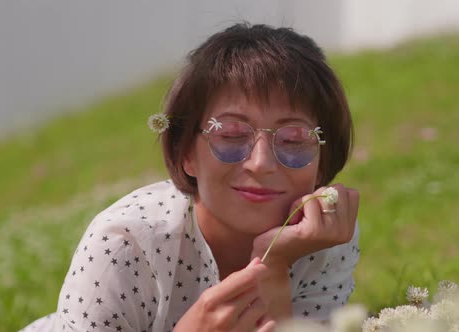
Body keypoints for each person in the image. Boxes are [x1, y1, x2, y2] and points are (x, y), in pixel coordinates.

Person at [21, 22, 359, 332]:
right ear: (186, 153)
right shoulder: (126, 243)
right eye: (229, 135)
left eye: (293, 139)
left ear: (322, 159)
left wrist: (275, 263)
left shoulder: (322, 235)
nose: (261, 163)